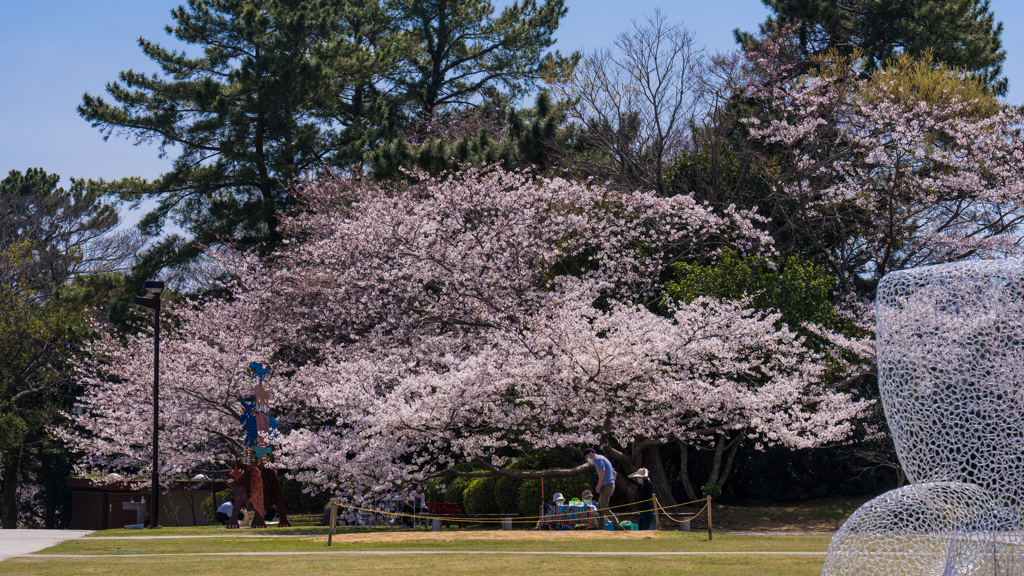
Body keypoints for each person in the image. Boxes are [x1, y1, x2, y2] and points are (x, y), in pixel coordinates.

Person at [584, 447, 622, 529]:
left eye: (587, 457)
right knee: (599, 508)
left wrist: (599, 484)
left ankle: (618, 525)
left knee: (604, 508)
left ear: (590, 453)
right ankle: (601, 528)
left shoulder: (597, 458)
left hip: (606, 485)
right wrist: (612, 483)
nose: (587, 459)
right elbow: (614, 473)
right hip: (609, 485)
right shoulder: (603, 457)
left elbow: (602, 470)